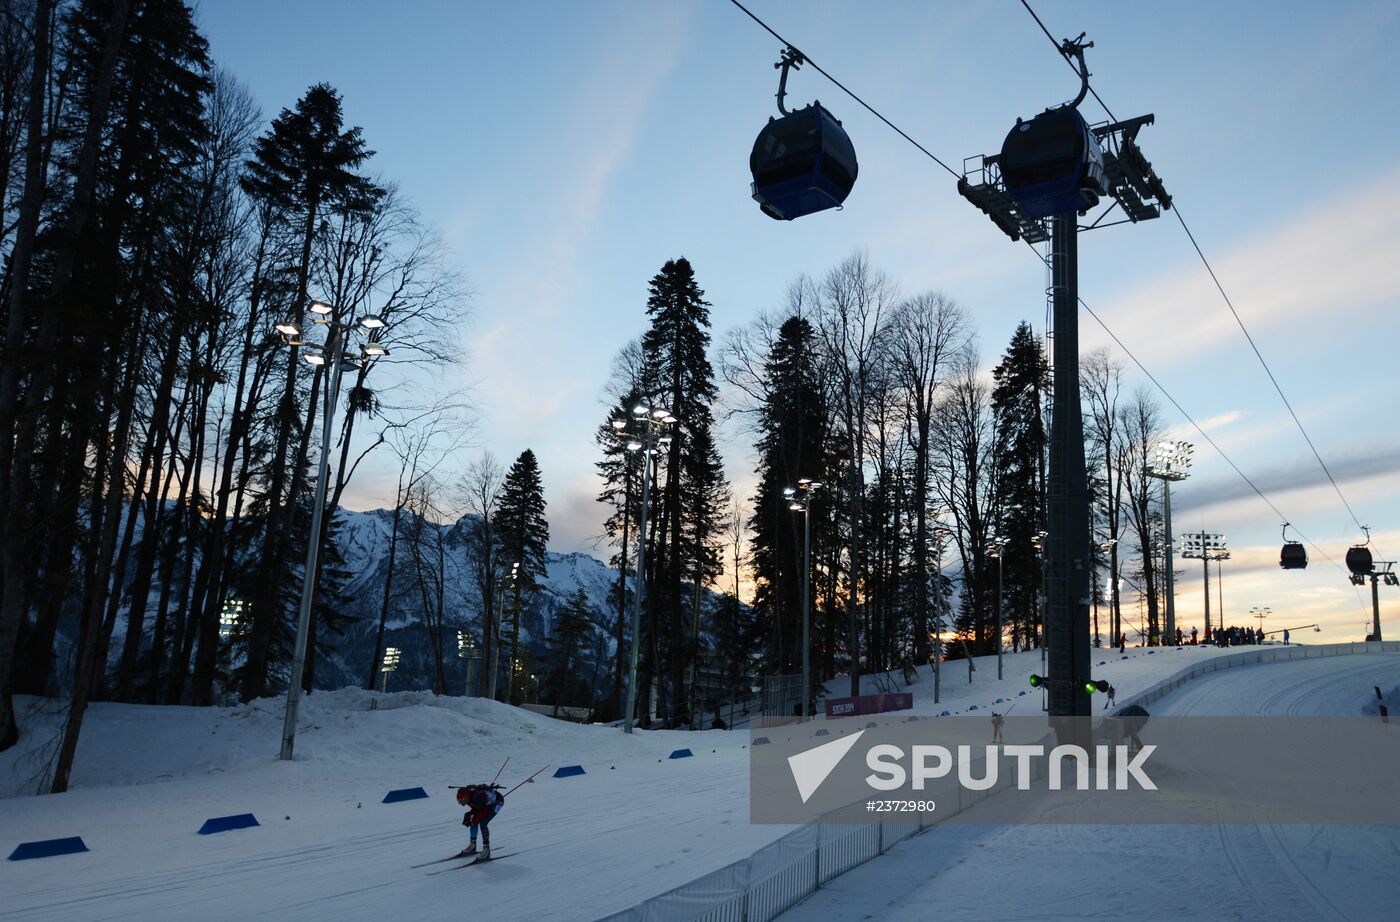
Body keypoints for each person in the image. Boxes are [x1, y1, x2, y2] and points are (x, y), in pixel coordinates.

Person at [456, 783, 505, 859]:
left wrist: (474, 817)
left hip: (497, 802)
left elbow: (483, 812)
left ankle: (486, 850)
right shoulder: (469, 797)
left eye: (461, 800)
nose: (460, 803)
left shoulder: (479, 797)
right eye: (458, 801)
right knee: (473, 822)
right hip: (485, 805)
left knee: (483, 824)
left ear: (465, 797)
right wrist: (470, 815)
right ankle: (472, 846)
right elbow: (476, 808)